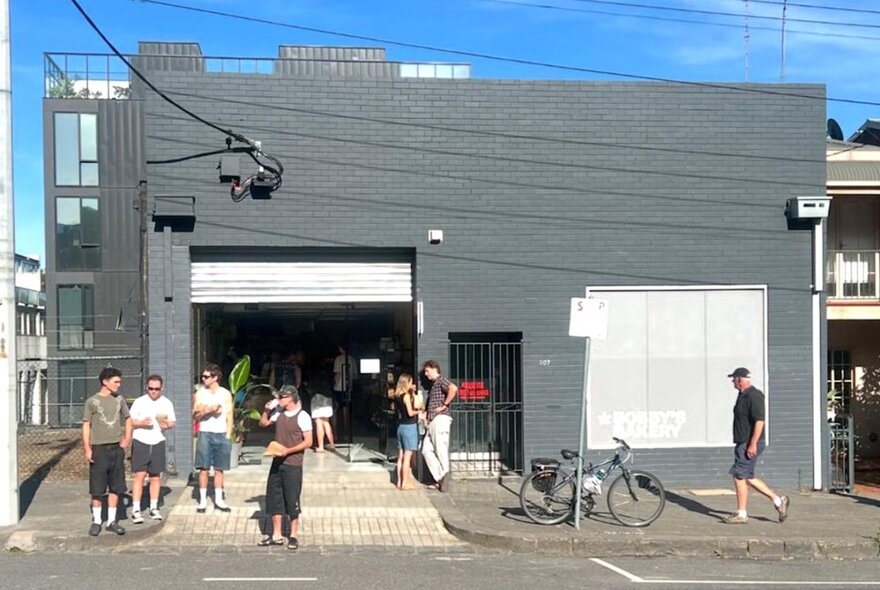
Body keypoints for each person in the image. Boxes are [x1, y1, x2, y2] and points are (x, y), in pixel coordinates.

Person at [722, 367, 790, 525]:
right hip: (743, 442)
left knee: (739, 476)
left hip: (749, 442)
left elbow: (760, 420)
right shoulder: (742, 396)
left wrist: (752, 443)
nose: (732, 381)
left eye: (734, 378)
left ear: (740, 379)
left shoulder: (754, 395)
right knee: (747, 477)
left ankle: (742, 513)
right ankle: (779, 501)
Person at [258, 385, 313, 551]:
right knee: (275, 497)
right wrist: (267, 410)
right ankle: (276, 534)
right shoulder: (279, 413)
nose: (279, 400)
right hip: (277, 461)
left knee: (292, 499)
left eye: (282, 397)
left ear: (291, 398)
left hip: (293, 463)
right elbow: (263, 423)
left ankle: (293, 534)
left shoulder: (303, 416)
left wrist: (288, 451)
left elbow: (308, 441)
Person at [82, 367, 132, 537]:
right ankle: (97, 521)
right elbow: (86, 424)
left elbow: (128, 418)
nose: (119, 385)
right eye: (116, 381)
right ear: (105, 381)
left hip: (116, 449)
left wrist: (127, 438)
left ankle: (111, 521)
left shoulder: (119, 400)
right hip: (99, 449)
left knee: (116, 487)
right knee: (97, 489)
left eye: (119, 381)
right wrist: (87, 448)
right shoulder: (92, 402)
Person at [129, 374, 177, 523]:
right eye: (151, 388)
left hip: (158, 441)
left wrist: (167, 425)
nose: (153, 391)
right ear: (147, 388)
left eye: (156, 389)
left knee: (155, 476)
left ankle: (153, 507)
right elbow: (130, 421)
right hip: (141, 441)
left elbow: (172, 422)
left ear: (161, 388)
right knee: (140, 475)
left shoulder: (166, 403)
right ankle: (136, 509)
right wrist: (141, 423)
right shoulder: (139, 402)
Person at [193, 362, 234, 513]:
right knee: (203, 468)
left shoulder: (225, 393)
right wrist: (207, 411)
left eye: (206, 376)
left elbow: (230, 414)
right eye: (203, 376)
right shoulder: (200, 393)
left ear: (215, 377)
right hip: (205, 432)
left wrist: (228, 434)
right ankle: (202, 500)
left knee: (219, 468)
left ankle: (219, 499)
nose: (203, 379)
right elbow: (195, 415)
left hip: (221, 432)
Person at [421, 360, 458, 492]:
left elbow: (453, 388)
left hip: (440, 419)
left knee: (441, 449)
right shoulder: (434, 385)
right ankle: (441, 477)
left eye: (427, 371)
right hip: (432, 421)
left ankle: (444, 479)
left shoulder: (441, 380)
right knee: (425, 449)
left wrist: (444, 405)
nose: (425, 374)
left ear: (434, 368)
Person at [390, 374, 419, 490]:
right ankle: (405, 483)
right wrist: (420, 411)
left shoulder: (397, 395)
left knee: (400, 456)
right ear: (406, 383)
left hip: (400, 426)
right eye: (411, 382)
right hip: (409, 427)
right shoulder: (406, 396)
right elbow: (410, 413)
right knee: (407, 456)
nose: (412, 384)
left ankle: (398, 482)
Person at [332, 345, 356, 437]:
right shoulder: (352, 359)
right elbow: (354, 375)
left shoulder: (338, 359)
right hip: (348, 387)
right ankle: (347, 430)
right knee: (346, 409)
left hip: (339, 387)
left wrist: (335, 384)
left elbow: (337, 374)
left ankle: (337, 432)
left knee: (336, 409)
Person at [309, 369, 335, 453]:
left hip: (317, 397)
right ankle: (332, 444)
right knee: (326, 422)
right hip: (327, 397)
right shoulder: (328, 377)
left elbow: (310, 388)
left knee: (318, 422)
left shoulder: (314, 377)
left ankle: (320, 446)